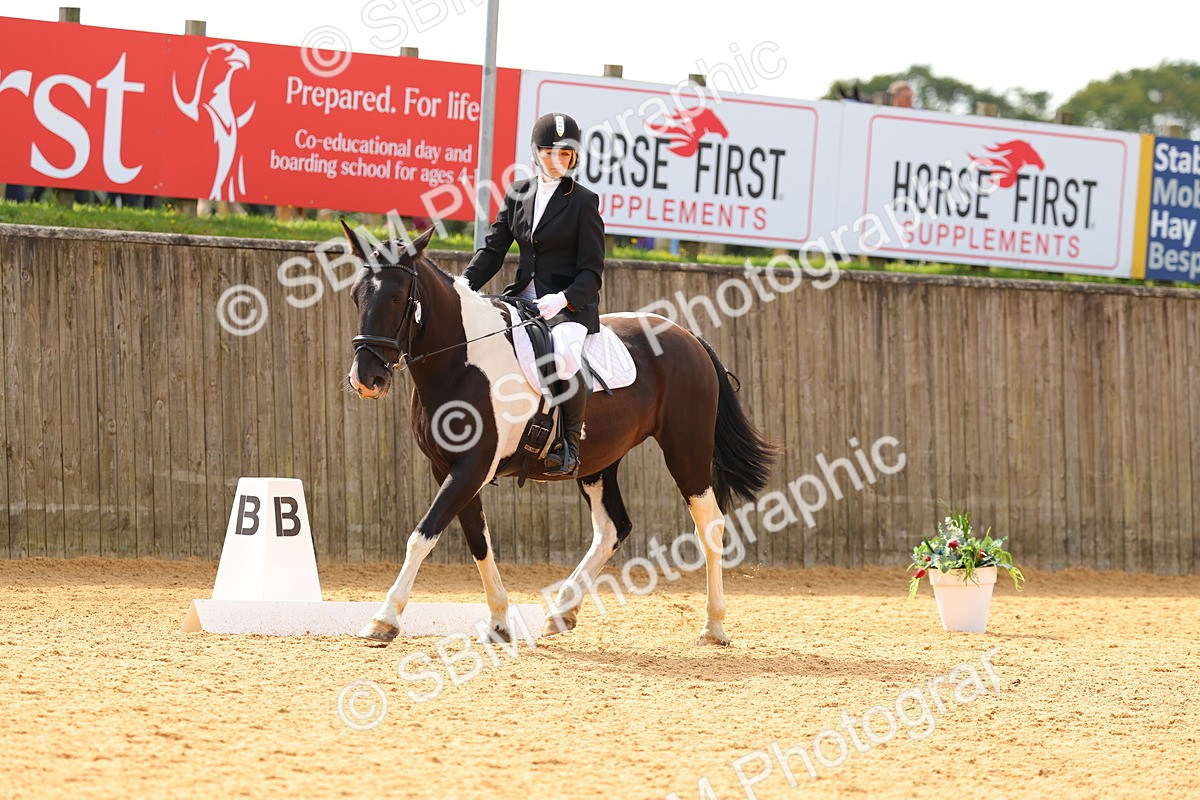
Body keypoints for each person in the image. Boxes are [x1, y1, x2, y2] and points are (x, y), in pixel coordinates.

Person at [463, 112, 605, 477]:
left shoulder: (584, 202)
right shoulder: (518, 193)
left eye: (566, 155)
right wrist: (463, 286)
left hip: (568, 306)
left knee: (565, 356)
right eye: (549, 153)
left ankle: (569, 445)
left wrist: (564, 299)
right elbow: (493, 251)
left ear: (575, 157)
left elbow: (592, 271)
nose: (557, 161)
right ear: (535, 153)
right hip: (521, 298)